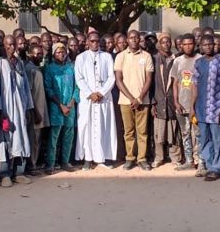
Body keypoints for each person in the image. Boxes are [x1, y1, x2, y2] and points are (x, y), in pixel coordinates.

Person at [190, 35, 220, 181]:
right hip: (201, 108)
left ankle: (216, 168)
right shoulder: (198, 63)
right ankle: (209, 166)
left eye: (210, 44)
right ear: (201, 46)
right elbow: (194, 86)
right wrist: (192, 107)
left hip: (217, 108)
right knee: (204, 138)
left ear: (214, 45)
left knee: (218, 138)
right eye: (205, 44)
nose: (208, 46)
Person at [0, 35, 35, 186]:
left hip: (20, 108)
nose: (11, 48)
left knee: (21, 138)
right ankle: (5, 174)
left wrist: (28, 108)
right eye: (8, 45)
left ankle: (19, 173)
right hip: (6, 109)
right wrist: (0, 111)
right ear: (3, 46)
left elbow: (26, 87)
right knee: (5, 140)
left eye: (13, 45)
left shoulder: (19, 63)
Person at [75, 32, 118, 168]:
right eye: (92, 41)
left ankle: (105, 156)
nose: (95, 43)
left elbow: (111, 77)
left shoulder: (107, 57)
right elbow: (79, 78)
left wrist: (101, 93)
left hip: (103, 99)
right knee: (87, 127)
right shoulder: (81, 58)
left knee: (105, 126)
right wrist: (90, 93)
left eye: (97, 41)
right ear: (87, 42)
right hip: (88, 100)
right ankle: (88, 158)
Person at [114, 30, 154, 171]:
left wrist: (139, 98)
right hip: (126, 101)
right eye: (131, 38)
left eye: (137, 38)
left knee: (142, 132)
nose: (134, 40)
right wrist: (132, 98)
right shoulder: (121, 56)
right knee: (129, 131)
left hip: (143, 101)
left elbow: (149, 79)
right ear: (127, 40)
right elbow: (118, 80)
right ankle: (130, 158)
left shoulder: (146, 56)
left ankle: (142, 159)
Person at [43, 43, 79, 174]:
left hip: (70, 107)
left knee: (68, 135)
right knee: (54, 137)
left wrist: (71, 102)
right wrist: (61, 105)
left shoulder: (71, 68)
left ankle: (65, 162)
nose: (61, 54)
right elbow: (48, 88)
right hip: (56, 107)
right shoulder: (49, 68)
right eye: (58, 52)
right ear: (53, 54)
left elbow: (77, 86)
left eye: (63, 52)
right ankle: (51, 164)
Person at [170, 34, 201, 171]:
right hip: (182, 104)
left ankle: (199, 160)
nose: (188, 47)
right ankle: (189, 160)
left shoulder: (200, 60)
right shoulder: (178, 61)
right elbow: (175, 83)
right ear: (181, 46)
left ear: (195, 44)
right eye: (185, 44)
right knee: (185, 133)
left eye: (190, 44)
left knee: (198, 134)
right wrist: (176, 102)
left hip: (197, 105)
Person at [151, 33, 179, 167]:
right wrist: (152, 102)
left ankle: (175, 157)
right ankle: (159, 157)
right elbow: (150, 82)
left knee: (173, 130)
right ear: (159, 44)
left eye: (168, 42)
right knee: (158, 131)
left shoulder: (176, 59)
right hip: (158, 100)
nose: (166, 44)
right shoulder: (154, 59)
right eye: (163, 42)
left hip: (173, 101)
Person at [24, 44, 50, 175]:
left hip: (41, 109)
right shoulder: (29, 69)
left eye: (41, 53)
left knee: (38, 139)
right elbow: (28, 92)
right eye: (37, 54)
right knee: (33, 139)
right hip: (35, 111)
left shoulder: (37, 68)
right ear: (30, 54)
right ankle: (31, 166)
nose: (40, 56)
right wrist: (35, 112)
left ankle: (34, 164)